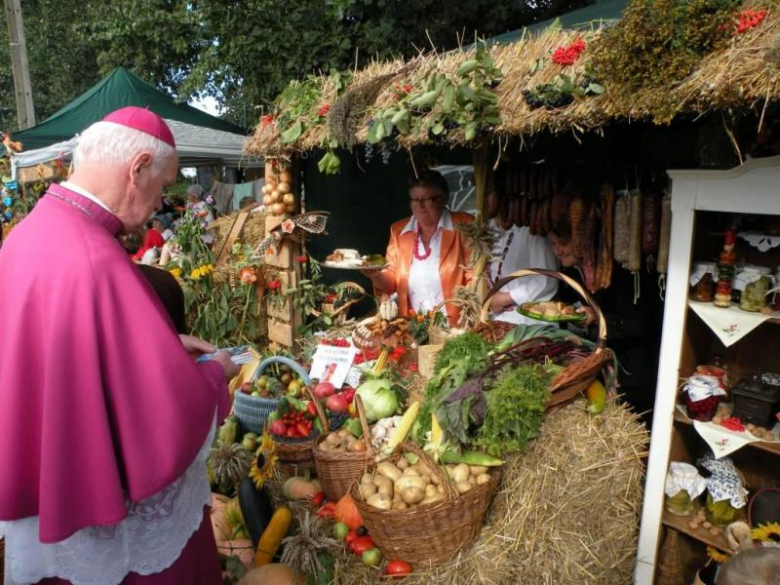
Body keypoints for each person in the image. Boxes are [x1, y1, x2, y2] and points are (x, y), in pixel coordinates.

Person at [0, 106, 240, 585]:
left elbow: (61, 350)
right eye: (164, 183)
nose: (160, 201)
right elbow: (162, 417)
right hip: (111, 523)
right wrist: (215, 374)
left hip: (53, 483)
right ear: (137, 168)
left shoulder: (27, 234)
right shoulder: (96, 254)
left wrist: (163, 343)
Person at [548, 216, 659, 422]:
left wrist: (597, 318)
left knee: (633, 430)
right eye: (553, 244)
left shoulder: (620, 271)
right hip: (603, 364)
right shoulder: (572, 271)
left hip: (633, 369)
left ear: (582, 241)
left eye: (563, 243)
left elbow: (639, 324)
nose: (557, 251)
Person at [364, 170, 473, 327]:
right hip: (414, 326)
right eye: (415, 199)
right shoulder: (399, 231)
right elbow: (392, 281)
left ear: (443, 198)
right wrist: (375, 274)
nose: (420, 206)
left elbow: (474, 273)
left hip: (457, 326)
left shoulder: (464, 225)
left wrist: (469, 316)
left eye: (426, 199)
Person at [485, 189, 559, 324]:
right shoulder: (488, 229)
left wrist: (504, 299)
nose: (483, 199)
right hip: (494, 321)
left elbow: (547, 280)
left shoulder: (531, 230)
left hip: (529, 323)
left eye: (488, 193)